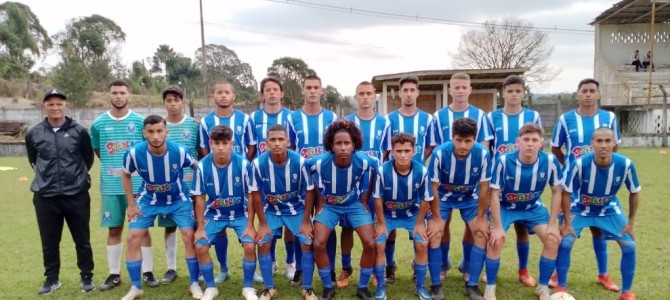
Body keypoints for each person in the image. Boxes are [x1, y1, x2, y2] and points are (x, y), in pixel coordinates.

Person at [550, 78, 621, 291]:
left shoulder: (609, 118)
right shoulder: (565, 119)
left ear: (598, 94)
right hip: (572, 189)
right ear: (577, 95)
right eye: (584, 91)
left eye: (592, 91)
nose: (588, 94)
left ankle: (603, 274)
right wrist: (571, 169)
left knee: (598, 230)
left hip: (599, 185)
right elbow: (555, 149)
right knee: (566, 232)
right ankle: (558, 274)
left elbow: (614, 148)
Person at [477, 123, 563, 300]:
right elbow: (493, 194)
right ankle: (491, 287)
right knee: (496, 239)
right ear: (518, 142)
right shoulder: (503, 161)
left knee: (553, 239)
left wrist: (553, 224)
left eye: (534, 140)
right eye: (526, 139)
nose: (530, 144)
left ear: (541, 143)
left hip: (533, 207)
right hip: (505, 206)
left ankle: (543, 287)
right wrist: (498, 226)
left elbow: (557, 191)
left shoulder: (550, 161)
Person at [119, 115, 199, 300]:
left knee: (188, 235)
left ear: (166, 132)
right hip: (148, 200)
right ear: (144, 133)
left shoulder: (179, 150)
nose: (155, 136)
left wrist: (197, 195)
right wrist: (131, 204)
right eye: (151, 132)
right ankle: (136, 287)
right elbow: (125, 174)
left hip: (179, 201)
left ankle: (194, 283)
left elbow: (198, 167)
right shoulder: (133, 153)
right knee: (132, 237)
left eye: (159, 131)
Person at [555, 127, 640, 300]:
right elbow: (566, 193)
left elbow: (635, 192)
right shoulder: (579, 164)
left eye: (608, 141)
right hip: (580, 208)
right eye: (599, 141)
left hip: (609, 210)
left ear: (614, 143)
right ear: (591, 144)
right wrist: (567, 223)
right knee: (565, 242)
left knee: (630, 246)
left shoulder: (625, 164)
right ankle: (561, 287)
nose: (603, 145)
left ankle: (626, 292)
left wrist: (630, 222)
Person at [26, 89, 96, 295]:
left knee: (82, 238)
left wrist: (76, 179)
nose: (55, 108)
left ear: (66, 105)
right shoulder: (34, 133)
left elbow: (87, 159)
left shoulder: (80, 131)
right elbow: (33, 159)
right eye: (51, 104)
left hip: (76, 194)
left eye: (59, 104)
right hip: (45, 196)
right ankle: (52, 279)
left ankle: (86, 276)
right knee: (49, 240)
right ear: (43, 107)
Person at [90, 80, 158, 290]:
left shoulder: (139, 122)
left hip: (139, 187)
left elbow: (147, 150)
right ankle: (114, 274)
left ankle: (147, 271)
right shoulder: (98, 124)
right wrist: (115, 169)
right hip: (111, 187)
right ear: (109, 96)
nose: (118, 96)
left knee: (142, 230)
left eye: (122, 93)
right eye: (114, 93)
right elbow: (99, 151)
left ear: (129, 95)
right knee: (114, 229)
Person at [432, 72, 492, 282]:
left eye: (463, 87)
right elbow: (434, 147)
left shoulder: (481, 115)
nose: (460, 91)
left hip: (470, 188)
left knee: (473, 226)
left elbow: (483, 147)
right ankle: (442, 264)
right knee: (443, 225)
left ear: (470, 89)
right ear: (450, 90)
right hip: (445, 185)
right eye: (456, 87)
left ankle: (468, 265)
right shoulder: (439, 116)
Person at [308, 120, 378, 300]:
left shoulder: (362, 161)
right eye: (338, 143)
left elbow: (377, 169)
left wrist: (366, 196)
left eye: (347, 143)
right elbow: (306, 170)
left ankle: (362, 287)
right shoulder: (320, 162)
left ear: (354, 144)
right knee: (318, 243)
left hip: (355, 206)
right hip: (330, 206)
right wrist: (320, 198)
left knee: (370, 243)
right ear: (331, 145)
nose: (343, 147)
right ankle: (328, 287)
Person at [198, 80, 258, 283]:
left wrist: (242, 168)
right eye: (219, 92)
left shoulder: (245, 119)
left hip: (239, 176)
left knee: (244, 224)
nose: (223, 96)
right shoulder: (206, 122)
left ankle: (253, 273)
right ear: (213, 96)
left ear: (234, 96)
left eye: (227, 92)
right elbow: (204, 150)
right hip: (217, 177)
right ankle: (223, 269)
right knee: (219, 226)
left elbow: (251, 145)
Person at [249, 124, 319, 300]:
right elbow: (256, 195)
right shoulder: (258, 163)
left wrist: (305, 222)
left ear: (288, 141)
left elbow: (310, 191)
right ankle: (269, 287)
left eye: (281, 139)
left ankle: (308, 288)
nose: (277, 143)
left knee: (306, 242)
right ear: (266, 143)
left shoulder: (300, 162)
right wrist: (263, 224)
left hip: (296, 210)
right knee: (264, 243)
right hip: (271, 211)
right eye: (273, 140)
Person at [485, 75, 542, 287]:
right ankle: (489, 270)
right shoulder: (492, 117)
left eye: (518, 91)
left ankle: (523, 270)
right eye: (510, 91)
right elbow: (487, 148)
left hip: (525, 180)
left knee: (522, 227)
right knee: (494, 229)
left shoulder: (532, 115)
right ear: (503, 93)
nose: (514, 95)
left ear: (523, 93)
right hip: (500, 181)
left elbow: (538, 145)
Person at [192, 125, 259, 300]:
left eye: (225, 143)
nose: (221, 147)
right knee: (200, 246)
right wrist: (200, 227)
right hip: (214, 214)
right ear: (210, 144)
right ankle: (211, 288)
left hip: (239, 214)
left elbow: (252, 195)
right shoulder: (201, 167)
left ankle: (248, 287)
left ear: (232, 144)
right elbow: (199, 198)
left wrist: (251, 225)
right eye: (217, 143)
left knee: (250, 245)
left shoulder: (244, 165)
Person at [427, 118, 491, 300]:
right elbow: (433, 186)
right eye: (459, 140)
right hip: (443, 197)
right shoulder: (439, 153)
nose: (463, 145)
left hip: (470, 198)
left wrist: (481, 216)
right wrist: (437, 217)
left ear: (474, 139)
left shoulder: (483, 154)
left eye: (468, 141)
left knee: (481, 233)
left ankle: (472, 285)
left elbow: (485, 186)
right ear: (452, 137)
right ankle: (436, 284)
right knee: (435, 233)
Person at [286, 74, 338, 287]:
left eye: (316, 87)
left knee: (328, 224)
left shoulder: (331, 117)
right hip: (301, 181)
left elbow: (335, 147)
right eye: (309, 87)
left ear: (322, 90)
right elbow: (290, 149)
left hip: (327, 180)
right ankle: (299, 269)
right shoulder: (292, 118)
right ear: (303, 90)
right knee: (302, 223)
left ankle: (331, 271)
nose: (313, 91)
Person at [372, 133, 438, 300]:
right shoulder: (381, 171)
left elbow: (425, 199)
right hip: (387, 214)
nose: (402, 155)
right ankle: (381, 287)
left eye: (406, 151)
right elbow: (377, 198)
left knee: (422, 244)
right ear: (392, 151)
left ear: (414, 151)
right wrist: (380, 223)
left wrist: (419, 224)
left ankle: (421, 286)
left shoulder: (422, 171)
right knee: (379, 245)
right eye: (399, 151)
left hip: (411, 214)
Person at [383, 75, 435, 283]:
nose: (409, 94)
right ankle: (389, 265)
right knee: (391, 224)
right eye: (405, 90)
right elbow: (387, 150)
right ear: (400, 93)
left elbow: (431, 144)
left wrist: (418, 161)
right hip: (395, 180)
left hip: (418, 181)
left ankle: (417, 264)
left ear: (417, 92)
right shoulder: (390, 119)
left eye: (412, 90)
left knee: (418, 226)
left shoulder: (428, 119)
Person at [337, 81, 388, 288]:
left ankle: (378, 270)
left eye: (369, 93)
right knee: (347, 229)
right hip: (349, 187)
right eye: (361, 94)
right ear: (356, 96)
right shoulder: (347, 122)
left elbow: (386, 154)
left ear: (375, 96)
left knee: (376, 228)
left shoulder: (384, 123)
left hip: (374, 186)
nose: (365, 97)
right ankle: (346, 267)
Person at [250, 77, 297, 281]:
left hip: (286, 175)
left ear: (281, 93)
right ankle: (273, 261)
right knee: (269, 223)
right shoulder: (253, 117)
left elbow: (294, 147)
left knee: (290, 224)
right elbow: (251, 148)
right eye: (267, 90)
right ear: (262, 94)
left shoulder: (292, 116)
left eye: (275, 89)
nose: (271, 93)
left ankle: (290, 262)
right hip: (264, 176)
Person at [159, 86, 200, 284]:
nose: (173, 103)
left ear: (182, 102)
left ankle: (199, 266)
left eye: (176, 99)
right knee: (170, 227)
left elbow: (200, 155)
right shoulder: (160, 126)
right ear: (164, 103)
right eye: (169, 100)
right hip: (166, 188)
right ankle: (171, 268)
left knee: (193, 225)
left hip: (191, 186)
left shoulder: (193, 125)